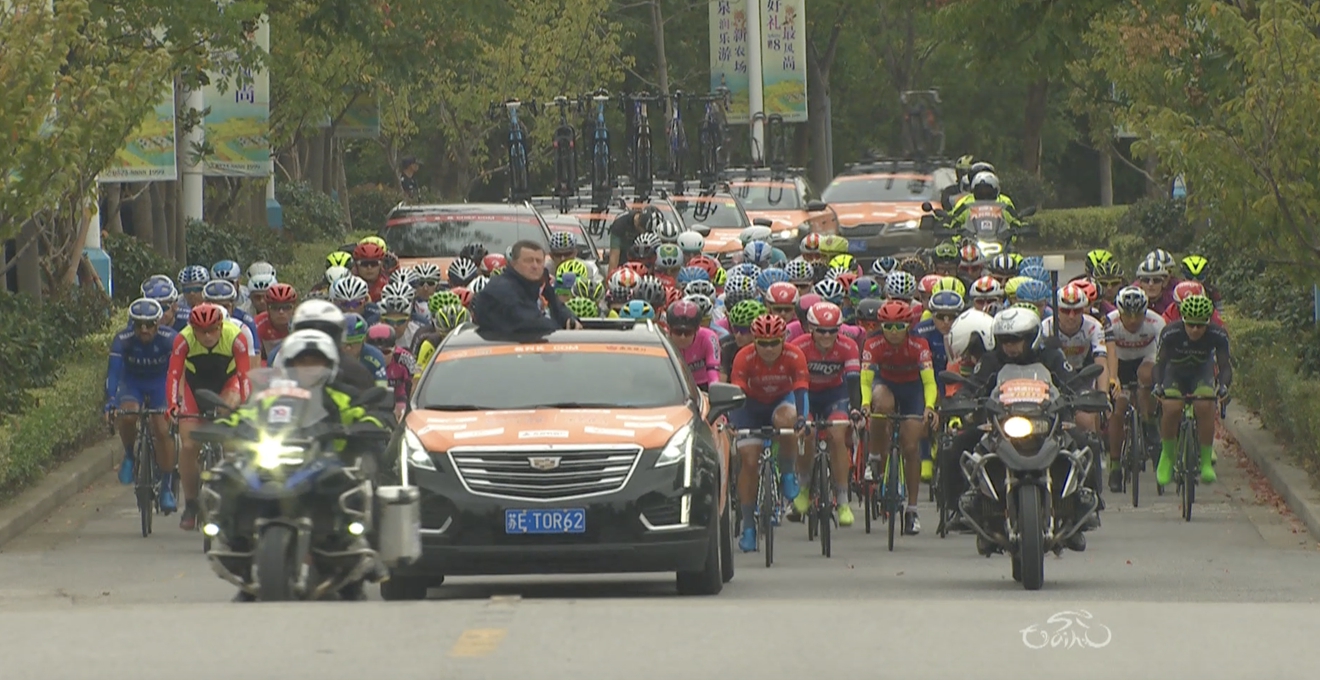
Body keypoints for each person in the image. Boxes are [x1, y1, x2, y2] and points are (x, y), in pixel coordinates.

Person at [944, 306, 1097, 551]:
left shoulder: (1052, 357)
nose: (1010, 347)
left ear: (1032, 337)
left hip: (1047, 422)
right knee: (958, 446)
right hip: (1001, 425)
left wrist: (1084, 394)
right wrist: (961, 399)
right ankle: (959, 507)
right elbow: (974, 385)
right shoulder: (992, 360)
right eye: (1005, 341)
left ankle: (1084, 506)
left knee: (1087, 445)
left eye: (1016, 340)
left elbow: (1072, 382)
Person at [728, 313, 811, 553]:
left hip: (780, 402)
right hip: (749, 407)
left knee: (788, 420)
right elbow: (736, 393)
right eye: (762, 343)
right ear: (754, 341)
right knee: (749, 462)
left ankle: (787, 473)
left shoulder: (795, 355)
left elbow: (801, 390)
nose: (769, 349)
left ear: (783, 339)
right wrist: (732, 421)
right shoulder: (743, 357)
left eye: (774, 342)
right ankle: (748, 527)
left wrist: (802, 419)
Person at [167, 303, 252, 531]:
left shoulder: (236, 337)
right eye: (201, 331)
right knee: (188, 445)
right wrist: (173, 405)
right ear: (192, 329)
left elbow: (244, 377)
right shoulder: (183, 340)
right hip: (195, 387)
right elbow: (174, 375)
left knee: (231, 440)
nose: (207, 336)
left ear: (220, 326)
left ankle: (233, 497)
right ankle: (191, 504)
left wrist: (246, 405)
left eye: (212, 330)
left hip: (227, 384)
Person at [860, 299, 938, 535]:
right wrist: (865, 403)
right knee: (881, 405)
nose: (893, 332)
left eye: (899, 327)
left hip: (913, 389)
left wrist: (929, 406)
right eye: (888, 327)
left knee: (911, 447)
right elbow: (866, 380)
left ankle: (912, 510)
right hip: (886, 384)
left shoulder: (919, 344)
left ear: (908, 325)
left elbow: (929, 381)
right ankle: (875, 456)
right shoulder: (873, 343)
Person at [788, 301, 861, 527]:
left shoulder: (848, 346)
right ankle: (803, 488)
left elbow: (853, 381)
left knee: (838, 436)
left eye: (832, 331)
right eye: (821, 331)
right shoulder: (799, 346)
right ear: (811, 328)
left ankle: (842, 500)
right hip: (807, 395)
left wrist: (855, 409)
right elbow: (794, 383)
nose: (827, 336)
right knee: (807, 434)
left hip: (835, 396)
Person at [105, 299, 180, 511]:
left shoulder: (170, 339)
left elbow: (179, 370)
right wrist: (111, 401)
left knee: (162, 430)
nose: (144, 329)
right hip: (132, 383)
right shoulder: (123, 339)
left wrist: (177, 400)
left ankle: (166, 487)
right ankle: (129, 454)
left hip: (160, 383)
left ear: (158, 324)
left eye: (149, 325)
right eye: (139, 325)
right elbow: (113, 373)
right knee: (128, 415)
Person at [1153, 295, 1232, 487]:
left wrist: (1223, 387)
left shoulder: (1218, 334)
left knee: (1205, 405)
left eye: (1200, 325)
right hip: (1175, 373)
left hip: (1201, 373)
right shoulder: (1171, 333)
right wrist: (1158, 385)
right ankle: (1167, 456)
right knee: (1172, 407)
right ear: (1182, 320)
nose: (1195, 330)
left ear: (1208, 322)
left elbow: (1225, 366)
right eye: (1190, 325)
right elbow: (1160, 364)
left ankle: (1205, 461)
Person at [471, 240, 582, 334]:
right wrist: (560, 331)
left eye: (539, 261)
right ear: (513, 263)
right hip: (503, 347)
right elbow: (530, 323)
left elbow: (556, 305)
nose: (535, 266)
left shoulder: (540, 281)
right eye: (529, 261)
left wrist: (569, 319)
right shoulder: (501, 289)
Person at [664, 300, 720, 391]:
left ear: (697, 330)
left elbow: (713, 372)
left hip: (702, 386)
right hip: (671, 385)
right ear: (668, 328)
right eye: (677, 331)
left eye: (688, 332)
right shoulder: (662, 338)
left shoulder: (709, 338)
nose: (682, 337)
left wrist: (715, 392)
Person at [608, 206, 661, 273]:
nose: (646, 235)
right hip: (624, 256)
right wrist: (611, 276)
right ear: (639, 224)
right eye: (645, 232)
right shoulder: (620, 224)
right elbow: (614, 257)